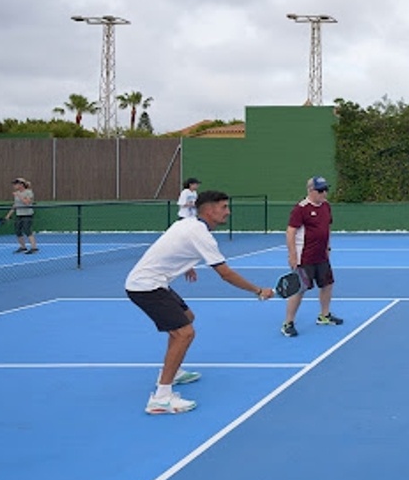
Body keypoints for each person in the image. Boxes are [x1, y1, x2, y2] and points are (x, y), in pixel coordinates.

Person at [126, 190, 275, 414]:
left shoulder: (186, 224)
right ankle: (161, 398)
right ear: (208, 210)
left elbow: (171, 245)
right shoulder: (202, 235)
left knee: (187, 318)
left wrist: (187, 263)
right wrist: (258, 290)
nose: (228, 212)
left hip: (154, 283)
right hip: (146, 287)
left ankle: (171, 371)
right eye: (224, 207)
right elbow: (225, 273)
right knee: (185, 333)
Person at [281, 176, 343, 337]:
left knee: (327, 285)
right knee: (299, 290)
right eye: (321, 190)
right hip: (305, 258)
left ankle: (324, 315)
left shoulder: (326, 206)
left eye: (326, 190)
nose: (324, 193)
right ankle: (288, 323)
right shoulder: (300, 209)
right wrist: (293, 255)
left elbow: (326, 228)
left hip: (321, 256)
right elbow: (290, 232)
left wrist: (328, 246)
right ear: (310, 191)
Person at [6, 178, 39, 254]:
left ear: (21, 185)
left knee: (27, 230)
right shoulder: (16, 193)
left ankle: (34, 248)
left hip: (27, 215)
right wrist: (8, 215)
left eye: (16, 184)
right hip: (19, 215)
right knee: (18, 231)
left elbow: (27, 203)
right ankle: (23, 247)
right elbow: (15, 205)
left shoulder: (28, 192)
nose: (14, 186)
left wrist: (19, 195)